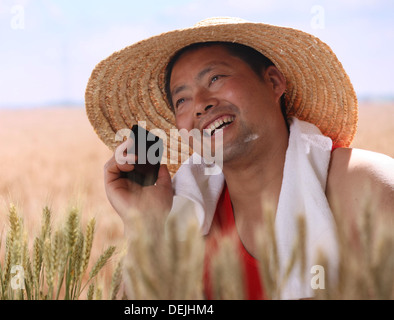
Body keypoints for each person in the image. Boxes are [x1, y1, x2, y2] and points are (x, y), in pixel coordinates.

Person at [85, 17, 394, 299]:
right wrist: (146, 225)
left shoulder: (365, 188)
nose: (201, 105)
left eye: (216, 78)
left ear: (274, 82)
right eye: (182, 99)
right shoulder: (188, 216)